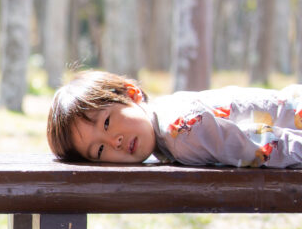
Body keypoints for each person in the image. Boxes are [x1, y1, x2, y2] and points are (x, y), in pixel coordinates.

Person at [47, 70, 302, 167]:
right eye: (100, 150)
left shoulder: (180, 132)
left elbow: (265, 146)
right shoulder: (164, 126)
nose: (115, 141)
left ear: (131, 94)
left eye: (107, 123)